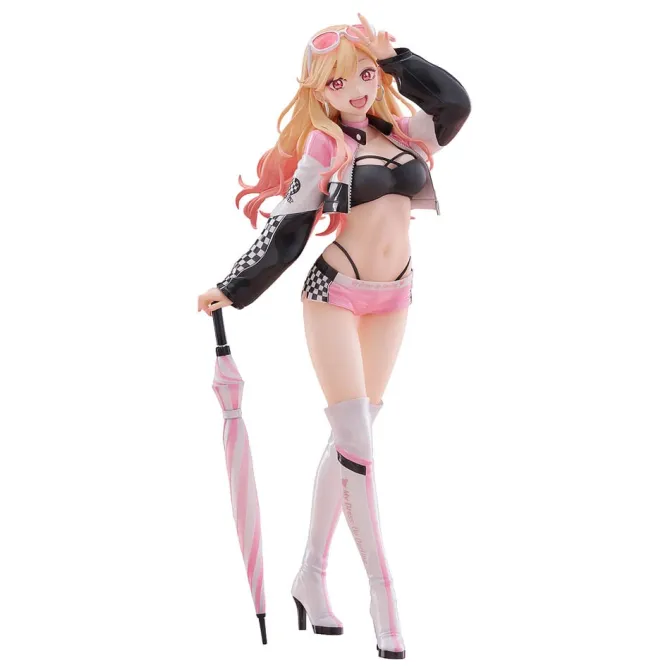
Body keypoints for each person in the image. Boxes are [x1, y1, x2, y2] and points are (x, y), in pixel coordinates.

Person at [197, 12, 471, 659]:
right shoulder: (325, 147)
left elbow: (455, 102)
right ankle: (384, 597)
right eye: (339, 81)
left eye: (364, 75)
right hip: (335, 293)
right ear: (319, 90)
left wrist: (395, 57)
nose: (355, 89)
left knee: (355, 439)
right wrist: (232, 287)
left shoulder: (407, 131)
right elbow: (287, 230)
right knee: (358, 444)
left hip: (395, 295)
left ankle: (309, 577)